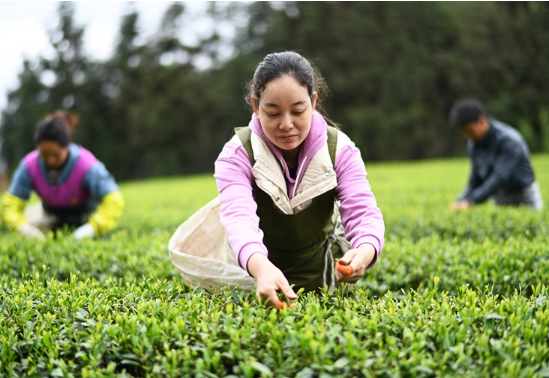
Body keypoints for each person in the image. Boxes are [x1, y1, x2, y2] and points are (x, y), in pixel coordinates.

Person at [214, 51, 384, 307]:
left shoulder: (339, 148)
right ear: (255, 107)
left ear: (313, 103)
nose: (286, 124)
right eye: (273, 113)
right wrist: (261, 269)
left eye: (298, 111)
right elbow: (239, 218)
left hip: (322, 269)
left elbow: (363, 211)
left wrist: (366, 249)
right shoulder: (237, 155)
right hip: (255, 270)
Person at [1, 111, 124, 239]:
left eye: (56, 155)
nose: (50, 160)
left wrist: (91, 228)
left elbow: (113, 199)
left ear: (67, 146)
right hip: (49, 215)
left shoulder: (86, 164)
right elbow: (10, 206)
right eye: (45, 155)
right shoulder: (28, 166)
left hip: (86, 215)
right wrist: (23, 228)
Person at [449, 99, 543, 210]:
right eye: (463, 133)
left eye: (469, 131)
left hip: (523, 198)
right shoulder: (474, 145)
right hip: (498, 198)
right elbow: (475, 180)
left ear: (482, 121)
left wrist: (471, 201)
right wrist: (460, 201)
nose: (467, 136)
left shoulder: (509, 140)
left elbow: (500, 177)